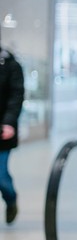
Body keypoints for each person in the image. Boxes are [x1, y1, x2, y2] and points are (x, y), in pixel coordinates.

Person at [0, 36, 23, 225]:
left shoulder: (10, 65)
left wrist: (8, 123)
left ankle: (11, 199)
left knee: (0, 176)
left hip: (2, 132)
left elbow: (16, 96)